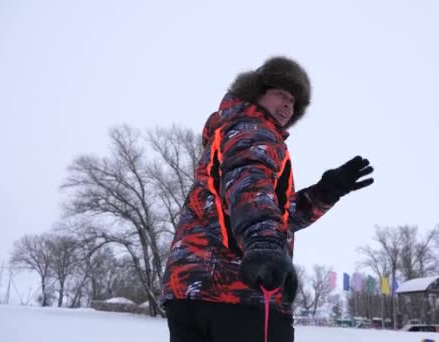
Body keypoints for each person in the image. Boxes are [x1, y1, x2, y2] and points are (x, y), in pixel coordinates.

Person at [160, 56, 374, 342]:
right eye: (281, 94)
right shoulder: (253, 129)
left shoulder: (229, 133)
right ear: (255, 92)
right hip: (238, 290)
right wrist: (264, 243)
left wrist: (326, 191)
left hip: (189, 290)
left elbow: (267, 209)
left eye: (294, 102)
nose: (288, 105)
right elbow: (250, 185)